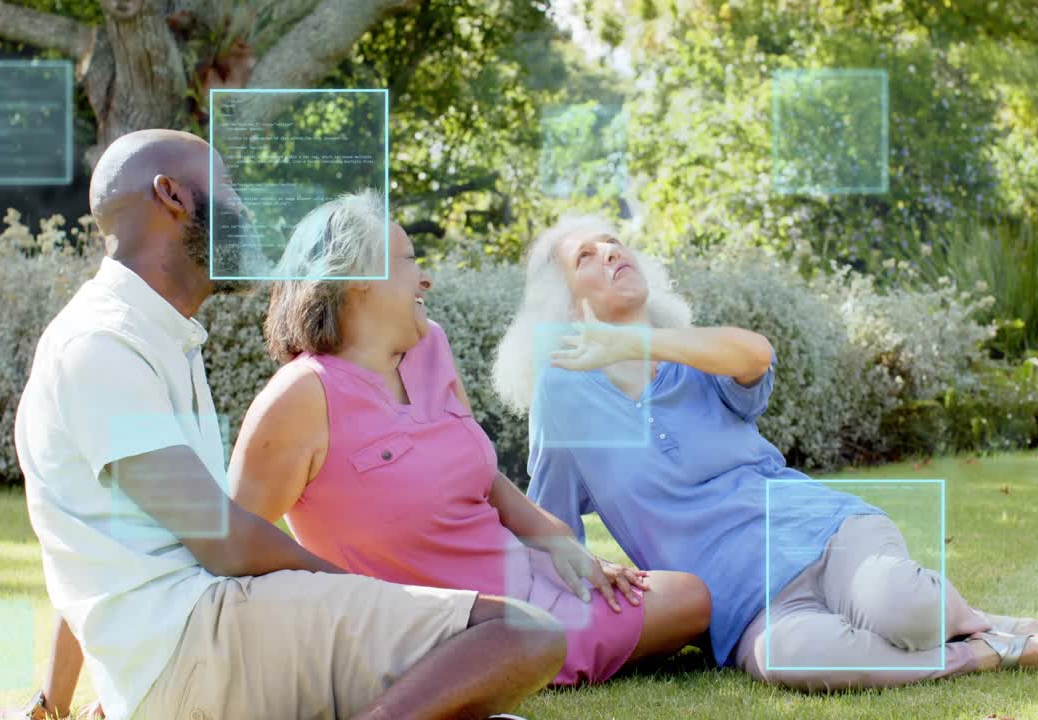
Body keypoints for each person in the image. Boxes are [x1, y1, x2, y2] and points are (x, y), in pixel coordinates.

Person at [0, 130, 564, 720]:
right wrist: (357, 591)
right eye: (228, 190)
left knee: (466, 696)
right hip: (196, 648)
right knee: (520, 632)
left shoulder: (157, 336)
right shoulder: (102, 345)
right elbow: (223, 541)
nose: (245, 211)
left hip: (203, 643)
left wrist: (49, 705)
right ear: (172, 196)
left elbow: (114, 538)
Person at [492, 213, 1038, 693]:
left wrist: (632, 339)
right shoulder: (566, 399)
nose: (611, 254)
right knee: (795, 659)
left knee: (904, 607)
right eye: (586, 257)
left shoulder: (692, 353)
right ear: (567, 303)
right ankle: (986, 647)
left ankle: (966, 619)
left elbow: (755, 354)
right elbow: (553, 530)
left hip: (823, 532)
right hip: (744, 604)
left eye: (613, 241)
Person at [226, 190, 712, 689]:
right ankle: (521, 659)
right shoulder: (302, 395)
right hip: (448, 627)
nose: (425, 278)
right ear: (357, 281)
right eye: (410, 262)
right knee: (685, 605)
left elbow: (483, 476)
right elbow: (232, 545)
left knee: (689, 596)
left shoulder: (429, 344)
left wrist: (564, 548)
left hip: (523, 576)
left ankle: (555, 646)